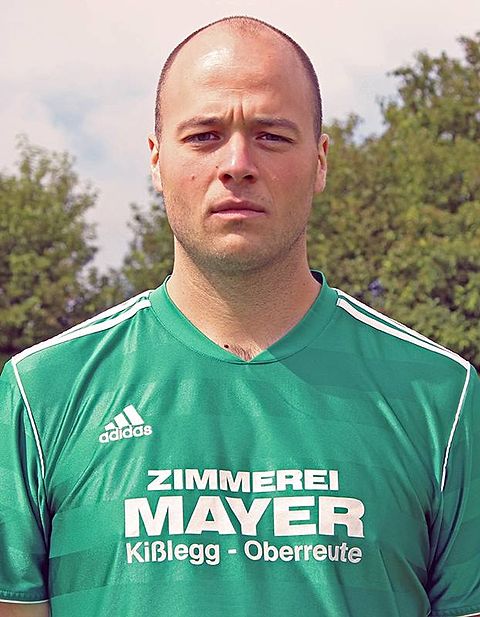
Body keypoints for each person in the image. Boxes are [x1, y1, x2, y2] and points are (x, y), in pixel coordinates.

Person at [0, 15, 479, 617]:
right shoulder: (40, 393)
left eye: (271, 136)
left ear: (321, 161)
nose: (237, 163)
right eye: (204, 135)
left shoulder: (444, 397)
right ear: (156, 159)